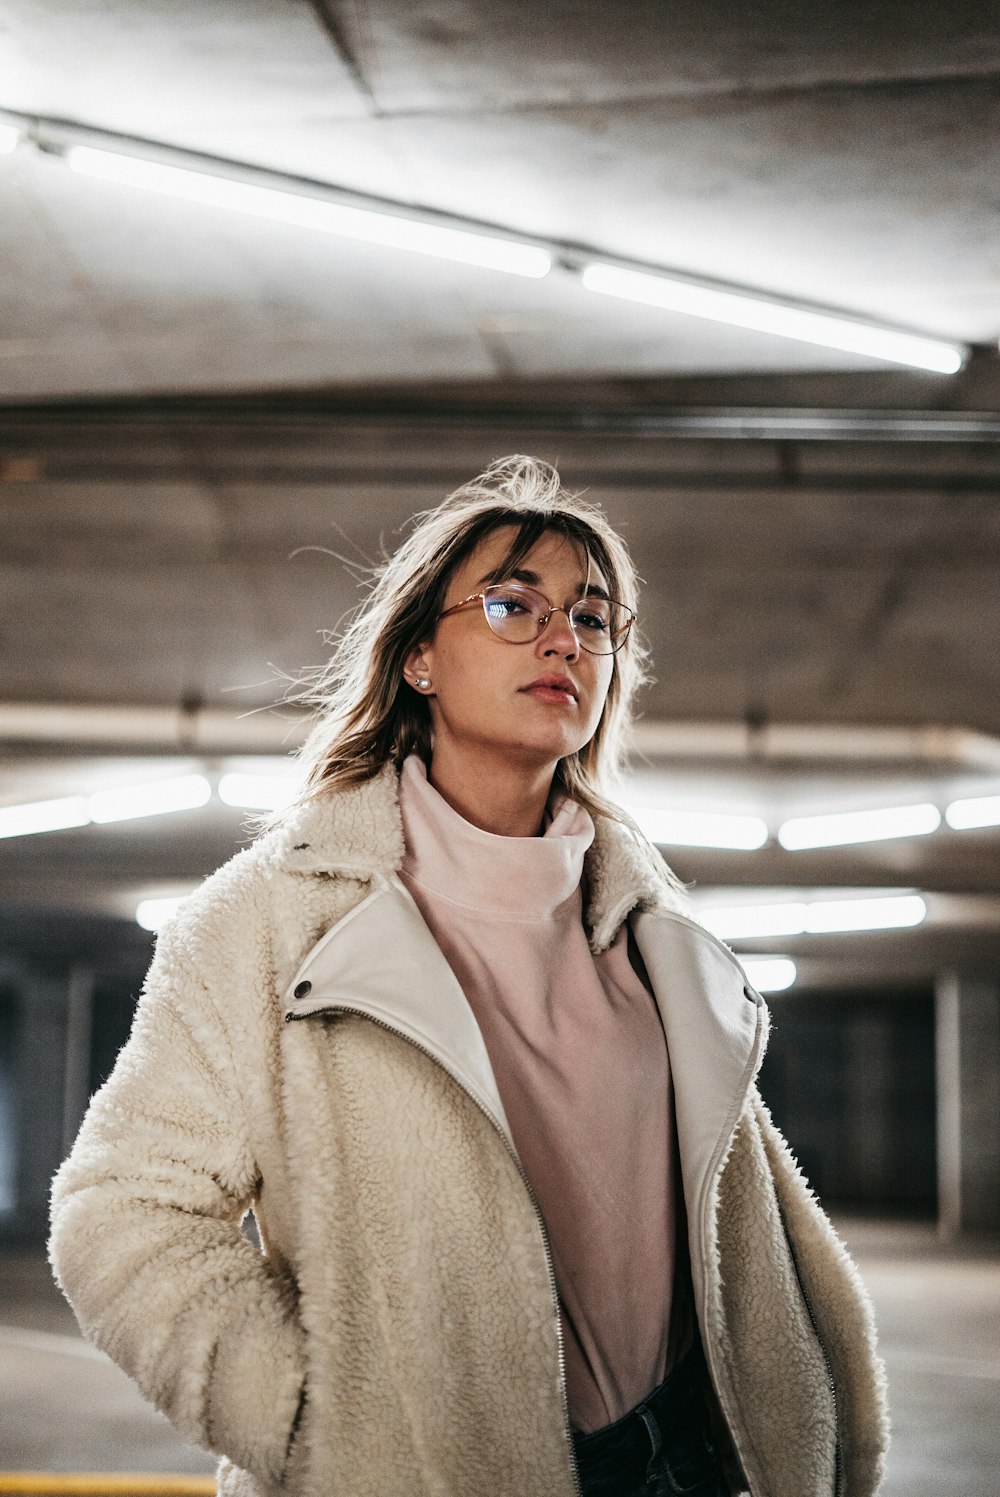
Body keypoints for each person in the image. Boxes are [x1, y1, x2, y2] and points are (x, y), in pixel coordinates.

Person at [49, 456, 889, 1497]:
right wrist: (324, 1424)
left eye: (592, 619)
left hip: (697, 1459)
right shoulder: (272, 920)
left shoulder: (648, 918)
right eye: (510, 604)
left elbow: (736, 1221)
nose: (561, 640)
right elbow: (120, 1210)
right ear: (419, 661)